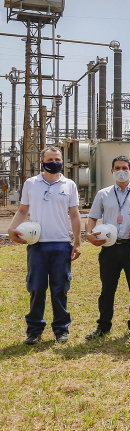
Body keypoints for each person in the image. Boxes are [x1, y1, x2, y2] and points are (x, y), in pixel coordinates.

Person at [9, 147, 82, 345]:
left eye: (57, 159)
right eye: (50, 159)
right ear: (42, 162)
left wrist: (77, 241)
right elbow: (23, 210)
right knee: (36, 288)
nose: (54, 162)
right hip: (37, 245)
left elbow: (75, 215)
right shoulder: (31, 184)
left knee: (60, 289)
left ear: (62, 161)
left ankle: (61, 329)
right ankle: (34, 330)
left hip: (61, 244)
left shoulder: (69, 185)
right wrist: (12, 229)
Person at [84, 155, 130, 340]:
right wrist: (88, 234)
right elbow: (92, 217)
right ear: (112, 171)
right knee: (107, 290)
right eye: (117, 168)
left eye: (124, 168)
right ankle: (103, 326)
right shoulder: (103, 194)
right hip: (109, 247)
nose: (121, 171)